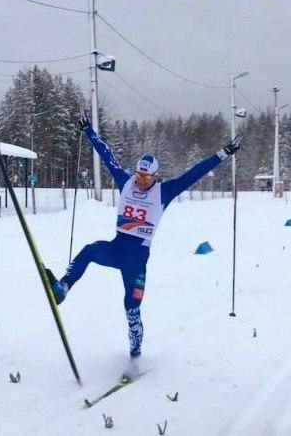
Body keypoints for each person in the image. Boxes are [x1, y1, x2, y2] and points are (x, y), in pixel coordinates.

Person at [45, 113, 242, 373]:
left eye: (146, 178)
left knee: (131, 307)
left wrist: (224, 153)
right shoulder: (126, 182)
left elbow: (195, 172)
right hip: (117, 249)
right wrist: (88, 132)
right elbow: (107, 157)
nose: (141, 181)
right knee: (89, 251)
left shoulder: (164, 192)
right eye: (139, 175)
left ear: (155, 177)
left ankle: (135, 352)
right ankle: (63, 288)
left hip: (137, 261)